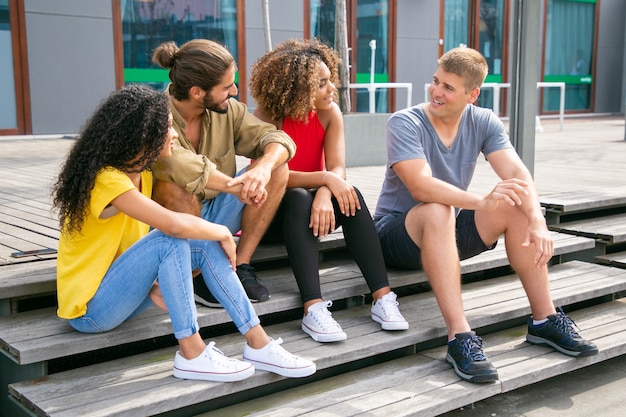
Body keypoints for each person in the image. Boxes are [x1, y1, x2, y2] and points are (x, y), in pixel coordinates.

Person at [52, 85, 316, 383]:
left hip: (122, 293)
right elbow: (172, 224)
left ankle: (259, 343)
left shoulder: (143, 172)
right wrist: (222, 232)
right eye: (166, 127)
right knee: (170, 238)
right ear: (142, 134)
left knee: (199, 244)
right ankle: (192, 353)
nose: (175, 134)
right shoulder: (107, 180)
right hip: (89, 311)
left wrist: (151, 281)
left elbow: (194, 173)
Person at [373, 47, 598, 383]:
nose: (436, 91)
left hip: (446, 231)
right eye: (436, 81)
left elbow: (518, 175)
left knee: (514, 199)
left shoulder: (484, 120)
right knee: (438, 208)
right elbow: (421, 187)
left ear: (472, 94)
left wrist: (537, 222)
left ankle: (544, 319)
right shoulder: (405, 122)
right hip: (396, 235)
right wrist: (480, 201)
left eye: (449, 87)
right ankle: (459, 337)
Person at [248, 38, 408, 343]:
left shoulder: (329, 112)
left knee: (353, 195)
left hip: (311, 209)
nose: (332, 88)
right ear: (297, 87)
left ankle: (383, 297)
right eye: (321, 83)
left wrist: (325, 191)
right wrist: (325, 180)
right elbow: (269, 176)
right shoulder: (265, 117)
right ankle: (313, 308)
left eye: (329, 80)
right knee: (297, 197)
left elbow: (338, 168)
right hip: (271, 215)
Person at [151, 39, 297, 305]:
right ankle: (196, 275)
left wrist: (262, 169)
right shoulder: (155, 116)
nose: (235, 90)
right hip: (174, 223)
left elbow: (278, 139)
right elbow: (176, 164)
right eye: (226, 86)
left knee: (277, 167)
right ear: (197, 92)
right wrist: (238, 186)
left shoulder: (228, 111)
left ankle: (240, 265)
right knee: (171, 187)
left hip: (218, 211)